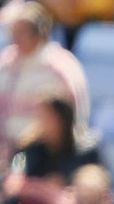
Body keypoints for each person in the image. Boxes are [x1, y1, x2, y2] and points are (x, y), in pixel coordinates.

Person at [0, 3, 89, 163]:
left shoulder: (61, 68)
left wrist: (29, 140)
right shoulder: (5, 63)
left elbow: (70, 118)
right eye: (13, 33)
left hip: (46, 157)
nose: (15, 39)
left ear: (39, 34)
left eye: (21, 33)